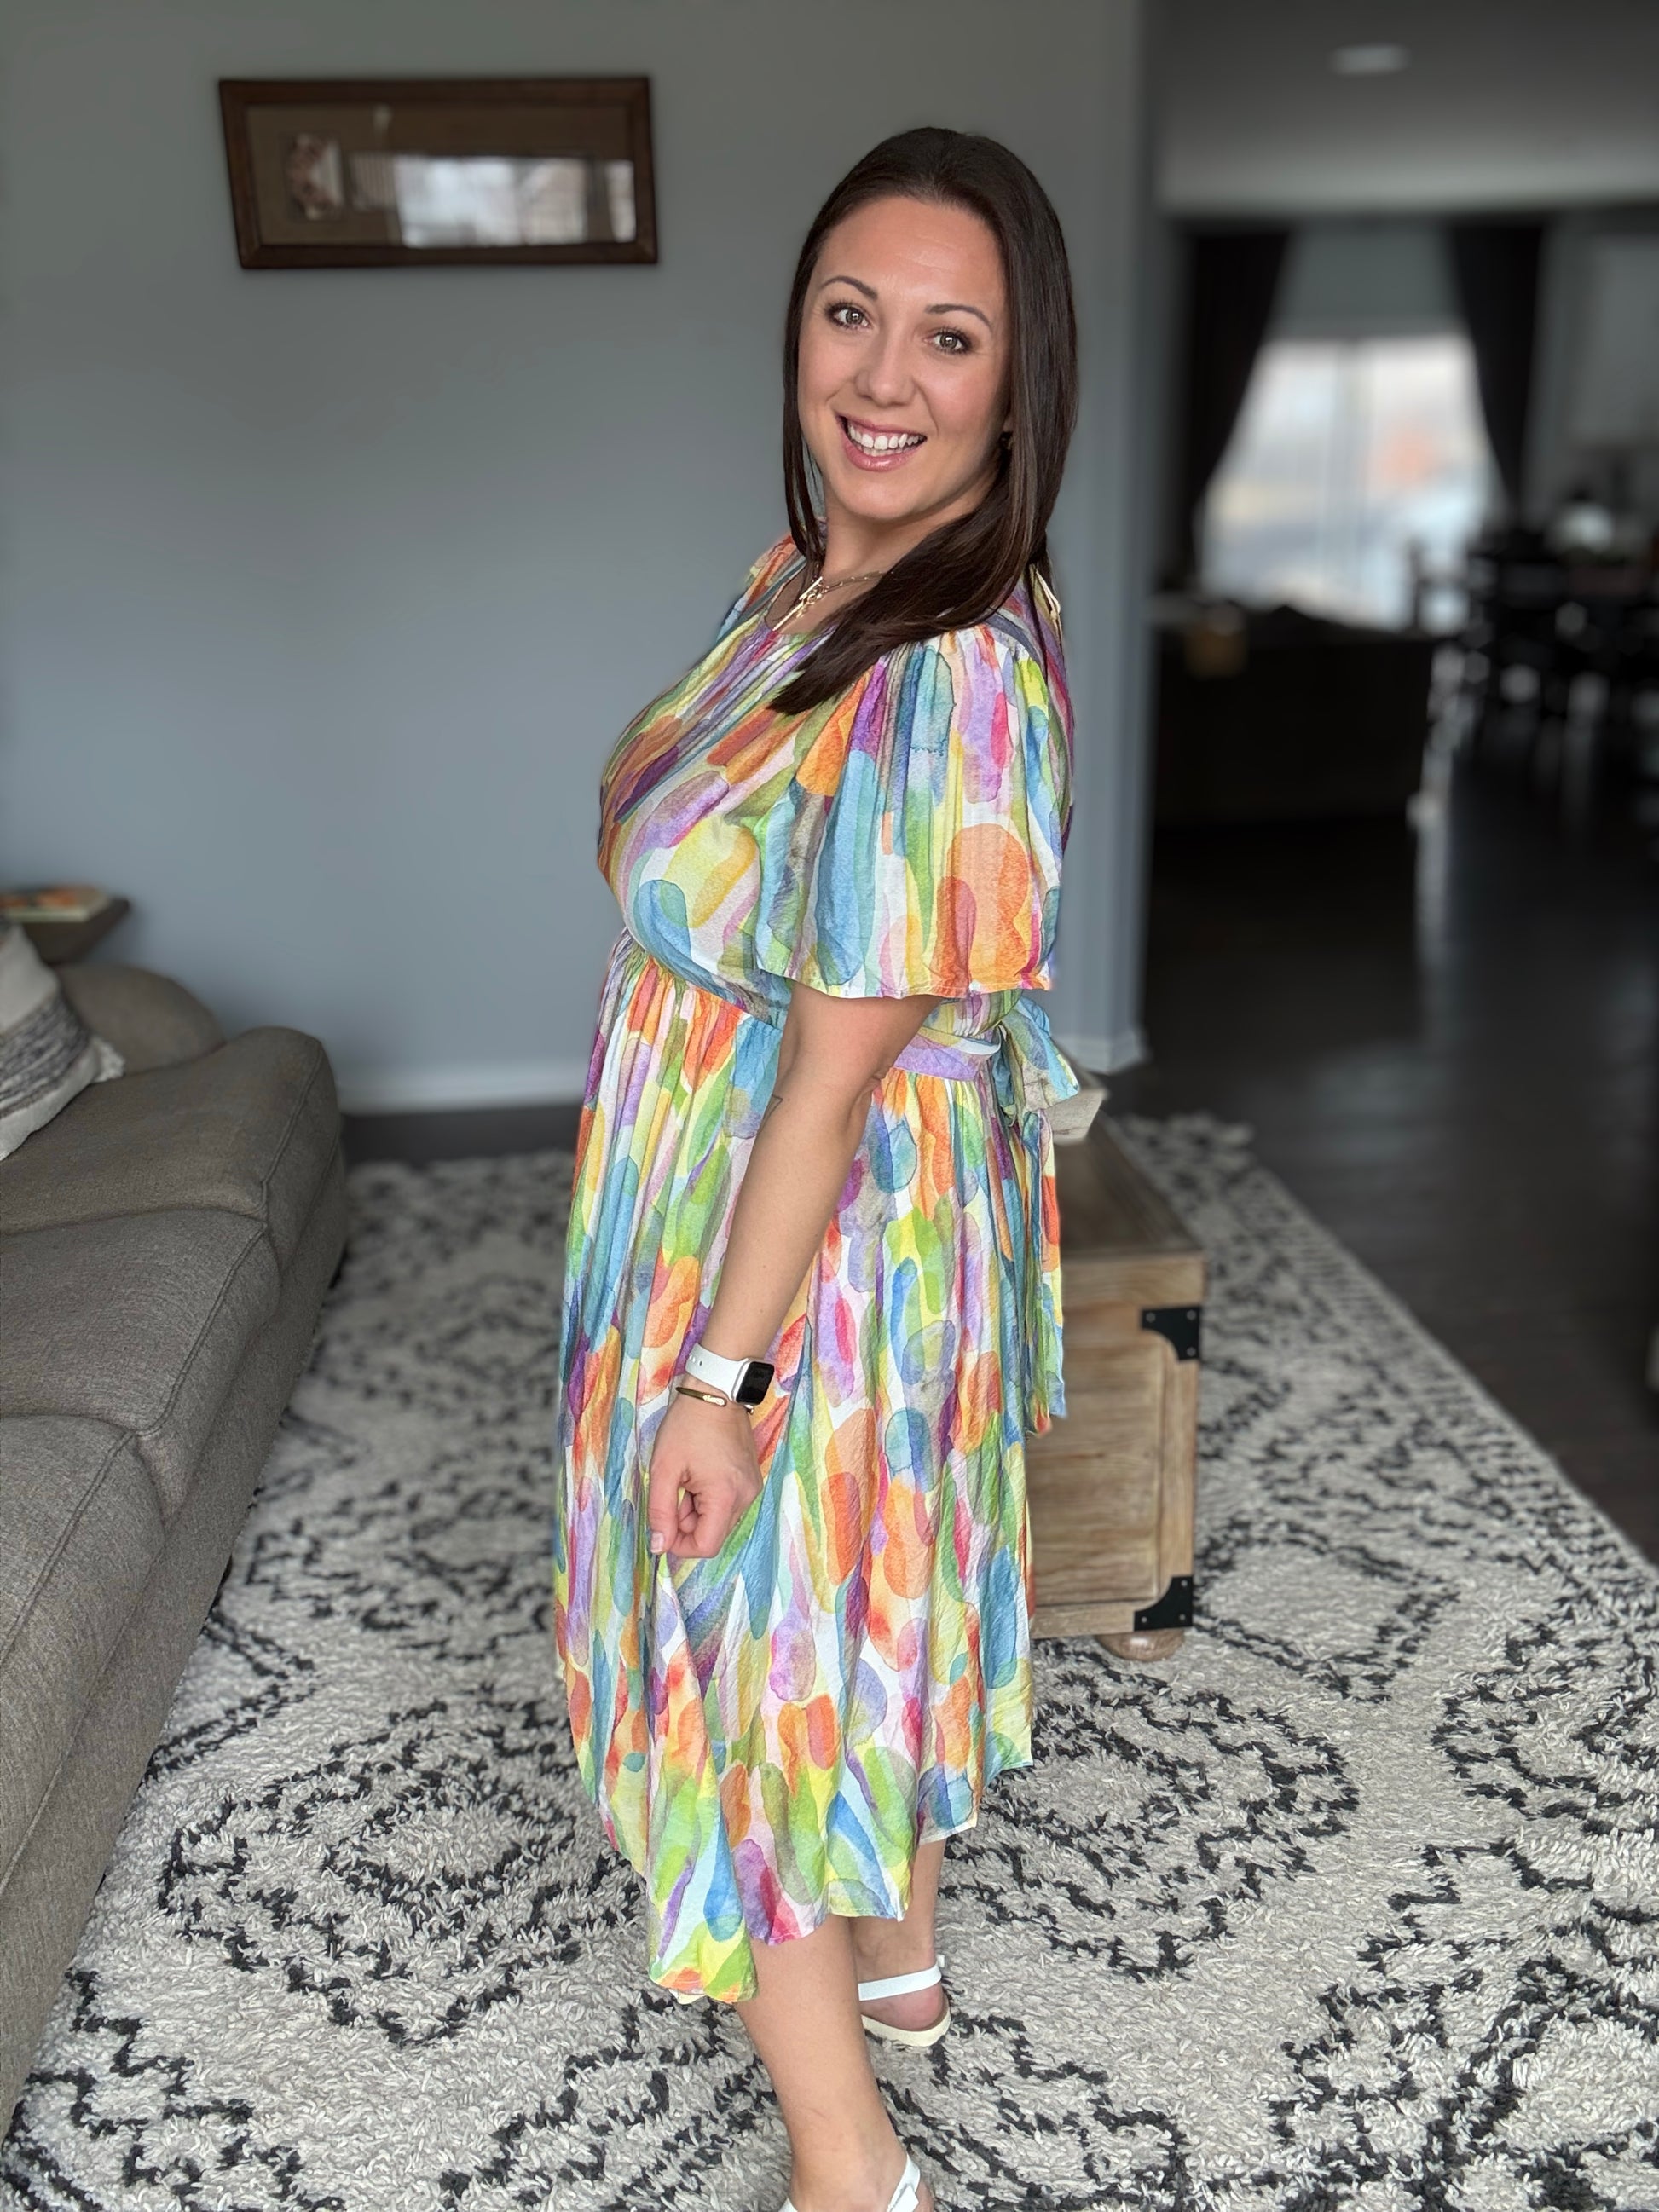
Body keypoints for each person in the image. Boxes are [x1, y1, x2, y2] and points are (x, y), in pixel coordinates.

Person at [552, 124, 1080, 2212]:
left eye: (950, 336)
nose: (884, 374)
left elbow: (835, 1085)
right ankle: (903, 1961)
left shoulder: (946, 666)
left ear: (1018, 387)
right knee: (857, 1602)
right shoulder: (804, 585)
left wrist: (722, 1377)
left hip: (805, 1226)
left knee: (752, 1659)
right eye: (851, 313)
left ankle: (851, 2166)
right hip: (741, 1157)